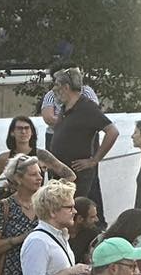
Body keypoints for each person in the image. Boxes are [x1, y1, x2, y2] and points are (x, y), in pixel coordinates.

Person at [50, 69, 118, 220]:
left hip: (77, 176)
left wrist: (94, 160)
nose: (54, 89)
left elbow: (112, 131)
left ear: (66, 87)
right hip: (61, 175)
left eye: (56, 85)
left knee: (74, 215)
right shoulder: (65, 108)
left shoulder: (87, 107)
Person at [0, 115, 72, 187]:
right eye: (19, 128)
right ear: (12, 132)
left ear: (32, 132)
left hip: (37, 199)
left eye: (26, 128)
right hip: (13, 199)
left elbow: (70, 176)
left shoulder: (42, 155)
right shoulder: (4, 158)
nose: (23, 132)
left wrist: (49, 192)